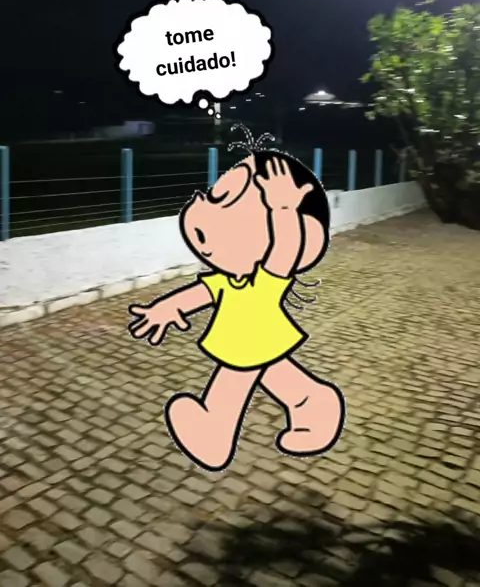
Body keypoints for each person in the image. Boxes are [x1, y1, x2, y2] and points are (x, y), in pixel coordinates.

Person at [128, 127, 345, 471]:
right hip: (248, 340)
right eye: (216, 196)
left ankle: (215, 431)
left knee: (236, 378)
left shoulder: (267, 278)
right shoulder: (230, 279)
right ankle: (313, 402)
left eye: (229, 204)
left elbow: (285, 249)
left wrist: (283, 210)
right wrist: (166, 308)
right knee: (278, 376)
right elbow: (202, 293)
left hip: (252, 340)